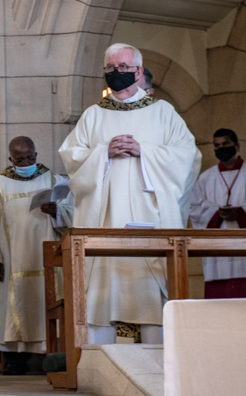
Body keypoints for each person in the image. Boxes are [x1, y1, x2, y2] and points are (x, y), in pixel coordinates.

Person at [59, 43, 200, 345]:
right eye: (110, 68)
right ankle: (98, 369)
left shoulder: (163, 113)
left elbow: (187, 156)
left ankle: (157, 369)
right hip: (104, 222)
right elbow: (71, 157)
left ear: (138, 71)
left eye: (122, 68)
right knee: (102, 295)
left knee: (148, 293)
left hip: (149, 219)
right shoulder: (93, 116)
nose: (116, 73)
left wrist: (144, 152)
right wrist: (103, 153)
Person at [0, 136, 73, 375]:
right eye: (20, 159)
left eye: (30, 158)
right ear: (11, 159)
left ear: (36, 154)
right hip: (11, 259)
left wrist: (58, 212)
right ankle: (16, 360)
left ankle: (51, 356)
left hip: (47, 258)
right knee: (16, 304)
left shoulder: (55, 180)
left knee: (47, 301)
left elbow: (75, 215)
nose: (26, 163)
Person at [190, 128, 246, 298]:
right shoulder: (206, 177)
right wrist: (217, 215)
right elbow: (193, 208)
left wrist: (240, 214)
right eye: (217, 145)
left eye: (225, 144)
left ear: (237, 145)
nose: (221, 148)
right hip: (217, 251)